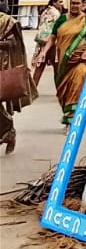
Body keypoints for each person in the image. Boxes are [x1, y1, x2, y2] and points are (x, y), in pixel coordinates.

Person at [42, 0, 86, 126]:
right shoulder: (62, 19)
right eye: (72, 3)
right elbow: (53, 37)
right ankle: (68, 115)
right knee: (63, 92)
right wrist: (43, 52)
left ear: (82, 5)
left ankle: (71, 121)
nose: (74, 6)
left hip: (79, 60)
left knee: (76, 86)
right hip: (63, 63)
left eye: (77, 3)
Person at [0, 10, 37, 152]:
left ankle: (8, 130)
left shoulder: (6, 21)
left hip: (2, 64)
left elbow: (12, 42)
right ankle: (7, 131)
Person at [30, 0, 65, 86]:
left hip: (42, 42)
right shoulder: (55, 13)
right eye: (60, 2)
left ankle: (32, 88)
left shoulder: (45, 11)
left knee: (39, 67)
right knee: (57, 69)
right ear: (54, 2)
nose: (61, 4)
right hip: (52, 43)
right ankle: (60, 88)